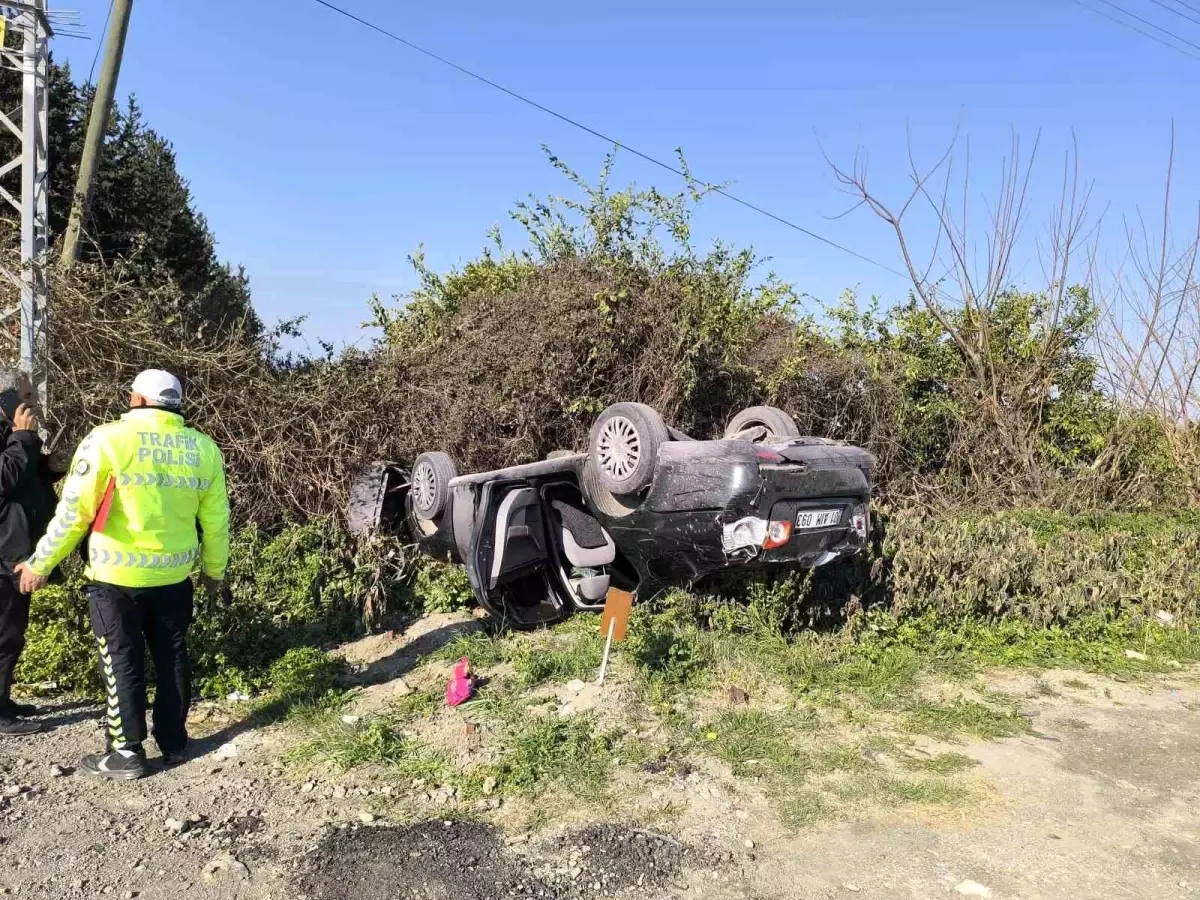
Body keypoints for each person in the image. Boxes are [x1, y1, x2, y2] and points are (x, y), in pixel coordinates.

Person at [16, 369, 230, 780]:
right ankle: (175, 743)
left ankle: (126, 752)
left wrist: (41, 563)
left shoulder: (108, 439)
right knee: (172, 656)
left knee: (122, 661)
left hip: (116, 576)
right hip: (174, 576)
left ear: (136, 401)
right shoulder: (203, 448)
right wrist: (213, 571)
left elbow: (74, 513)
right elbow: (217, 520)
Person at [0, 370, 68, 737]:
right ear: (6, 400)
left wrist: (49, 467)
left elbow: (24, 476)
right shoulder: (14, 434)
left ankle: (4, 698)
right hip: (3, 554)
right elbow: (5, 479)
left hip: (16, 551)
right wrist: (24, 437)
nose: (34, 403)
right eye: (26, 395)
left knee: (12, 632)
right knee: (3, 634)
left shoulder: (12, 436)